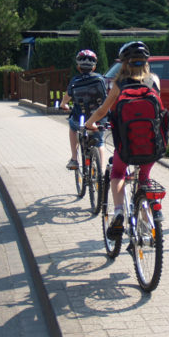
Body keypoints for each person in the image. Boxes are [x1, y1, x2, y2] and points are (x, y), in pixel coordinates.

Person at [85, 40, 160, 238]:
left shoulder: (119, 84)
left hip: (126, 145)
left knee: (117, 173)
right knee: (144, 179)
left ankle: (118, 212)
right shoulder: (154, 80)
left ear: (124, 63)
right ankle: (146, 225)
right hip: (152, 145)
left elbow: (103, 110)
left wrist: (90, 123)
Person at [60, 49, 107, 170]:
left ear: (78, 67)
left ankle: (74, 159)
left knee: (72, 126)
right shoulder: (100, 79)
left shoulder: (75, 81)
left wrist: (64, 104)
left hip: (79, 119)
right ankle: (101, 171)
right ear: (94, 67)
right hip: (98, 119)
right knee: (100, 143)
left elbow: (67, 96)